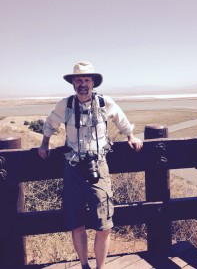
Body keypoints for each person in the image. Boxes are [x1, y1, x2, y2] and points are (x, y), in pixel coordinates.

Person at [38, 61, 143, 269]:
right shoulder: (65, 105)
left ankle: (100, 267)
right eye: (78, 80)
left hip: (99, 165)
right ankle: (84, 265)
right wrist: (44, 142)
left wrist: (130, 136)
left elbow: (121, 119)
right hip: (73, 167)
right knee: (76, 223)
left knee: (104, 224)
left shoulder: (105, 103)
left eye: (86, 80)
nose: (82, 84)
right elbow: (51, 123)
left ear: (93, 82)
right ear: (73, 84)